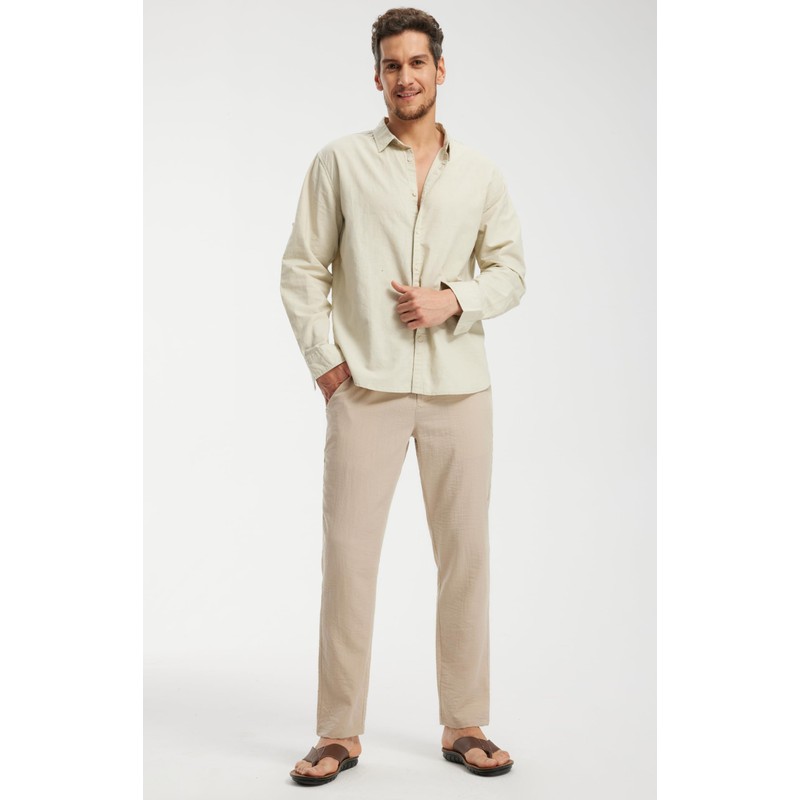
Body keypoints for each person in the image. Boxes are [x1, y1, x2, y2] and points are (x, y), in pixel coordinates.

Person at [281, 7, 526, 785]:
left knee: (466, 559)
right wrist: (328, 366)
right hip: (367, 389)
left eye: (418, 62)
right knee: (349, 561)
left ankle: (465, 722)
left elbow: (511, 272)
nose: (406, 77)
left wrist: (455, 298)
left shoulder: (481, 173)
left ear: (440, 70)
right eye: (392, 65)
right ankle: (337, 733)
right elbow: (302, 269)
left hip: (460, 391)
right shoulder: (339, 162)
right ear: (377, 75)